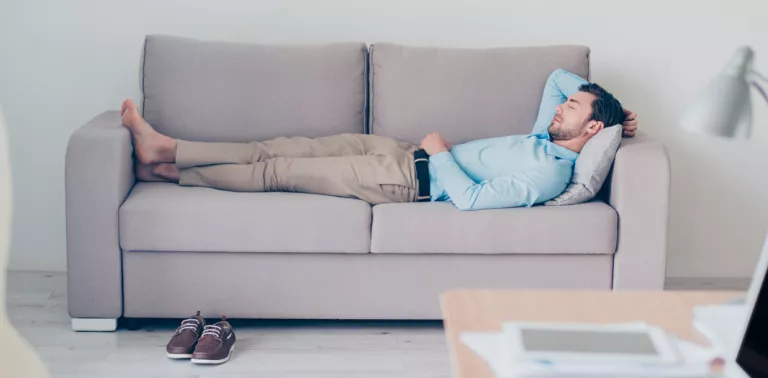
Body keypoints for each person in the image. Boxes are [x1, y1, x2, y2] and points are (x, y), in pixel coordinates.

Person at [120, 68, 637, 211]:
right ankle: (168, 148)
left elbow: (474, 200)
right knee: (275, 146)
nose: (560, 107)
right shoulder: (542, 137)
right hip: (394, 150)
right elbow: (558, 77)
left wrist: (439, 154)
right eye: (567, 106)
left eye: (573, 110)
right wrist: (615, 114)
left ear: (588, 129)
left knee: (276, 173)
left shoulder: (549, 173)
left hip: (406, 180)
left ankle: (172, 173)